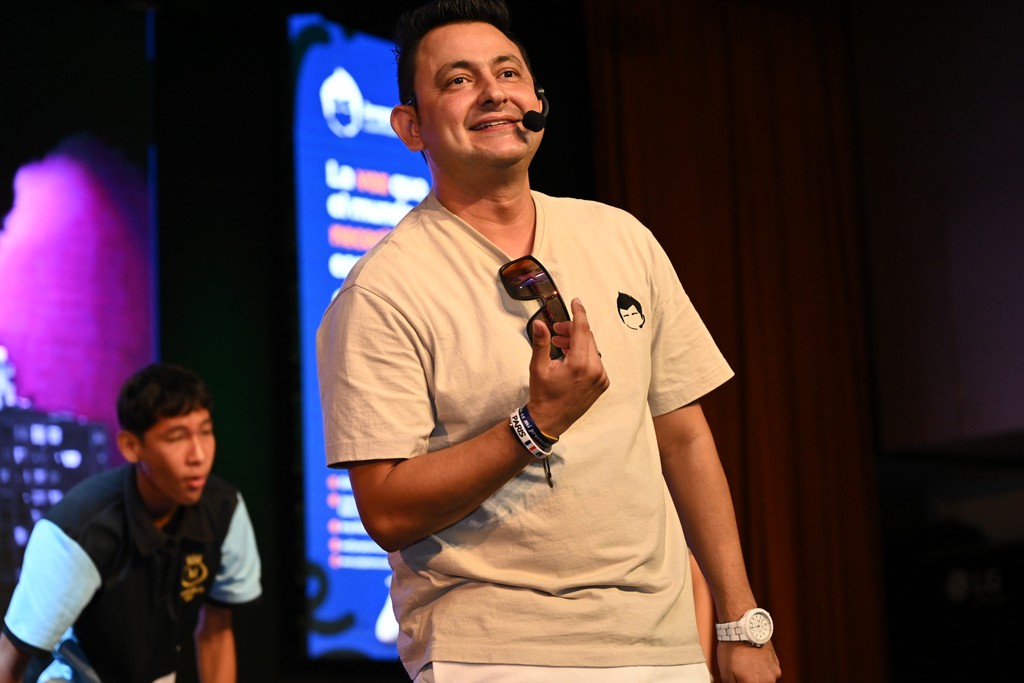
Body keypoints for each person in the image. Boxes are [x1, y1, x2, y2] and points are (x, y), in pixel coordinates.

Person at [315, 1, 782, 681]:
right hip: (495, 651)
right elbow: (385, 508)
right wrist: (535, 425)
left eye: (508, 72)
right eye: (458, 80)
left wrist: (740, 621)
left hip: (661, 647)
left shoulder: (623, 238)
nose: (493, 90)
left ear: (537, 101)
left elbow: (684, 437)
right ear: (410, 126)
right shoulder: (381, 291)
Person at [0, 363, 262, 683]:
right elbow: (9, 661)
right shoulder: (76, 533)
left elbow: (216, 633)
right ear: (131, 446)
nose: (198, 454)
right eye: (177, 437)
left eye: (205, 432)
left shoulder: (224, 509)